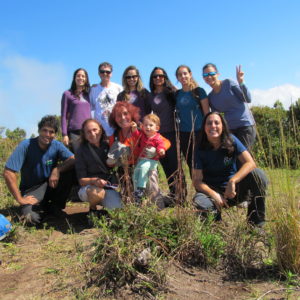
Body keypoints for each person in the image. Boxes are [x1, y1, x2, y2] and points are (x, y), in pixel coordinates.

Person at [192, 112, 267, 226]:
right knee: (200, 202)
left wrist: (233, 181)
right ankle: (217, 225)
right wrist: (214, 194)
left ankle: (256, 224)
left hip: (233, 191)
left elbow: (250, 163)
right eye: (209, 123)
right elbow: (197, 181)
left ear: (223, 126)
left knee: (258, 175)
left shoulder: (231, 140)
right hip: (212, 192)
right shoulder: (199, 147)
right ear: (204, 127)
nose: (213, 126)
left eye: (217, 123)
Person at [4, 115, 75, 225]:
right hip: (32, 190)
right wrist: (19, 199)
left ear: (55, 134)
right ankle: (42, 210)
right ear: (39, 130)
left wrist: (57, 169)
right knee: (31, 218)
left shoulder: (56, 145)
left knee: (70, 171)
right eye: (44, 130)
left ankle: (55, 206)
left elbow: (73, 159)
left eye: (51, 132)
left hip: (50, 185)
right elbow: (8, 172)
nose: (47, 134)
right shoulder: (26, 145)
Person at [108, 102, 167, 205]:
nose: (122, 117)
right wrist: (113, 160)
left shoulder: (143, 129)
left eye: (125, 113)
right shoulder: (114, 136)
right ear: (114, 119)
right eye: (118, 115)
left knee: (153, 195)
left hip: (144, 166)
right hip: (126, 172)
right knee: (130, 202)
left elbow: (165, 141)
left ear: (132, 115)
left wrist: (156, 150)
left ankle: (158, 211)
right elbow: (111, 162)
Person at [75, 119, 122, 222]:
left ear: (100, 130)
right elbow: (81, 181)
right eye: (88, 131)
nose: (92, 134)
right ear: (84, 134)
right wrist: (94, 180)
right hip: (89, 188)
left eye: (95, 129)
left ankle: (104, 212)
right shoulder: (81, 151)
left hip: (108, 187)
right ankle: (93, 209)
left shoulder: (108, 145)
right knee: (97, 193)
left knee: (120, 214)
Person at [202, 63, 256, 149]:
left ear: (217, 74)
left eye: (211, 74)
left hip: (245, 126)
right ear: (203, 78)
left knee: (244, 157)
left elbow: (247, 99)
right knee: (232, 157)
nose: (209, 76)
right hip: (230, 130)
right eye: (205, 75)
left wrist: (241, 82)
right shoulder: (211, 97)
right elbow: (217, 117)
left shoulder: (228, 83)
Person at [148, 67, 178, 199]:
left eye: (160, 75)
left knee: (175, 165)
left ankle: (180, 196)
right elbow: (148, 114)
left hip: (173, 132)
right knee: (165, 165)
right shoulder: (151, 95)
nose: (158, 78)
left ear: (165, 77)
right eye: (155, 76)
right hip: (159, 135)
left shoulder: (172, 92)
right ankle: (173, 194)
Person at [175, 65, 210, 177]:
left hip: (199, 131)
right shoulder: (177, 94)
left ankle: (209, 188)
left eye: (185, 73)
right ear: (177, 78)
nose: (183, 76)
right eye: (180, 74)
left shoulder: (199, 91)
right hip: (184, 133)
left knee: (202, 162)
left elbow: (207, 113)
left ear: (190, 74)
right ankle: (198, 189)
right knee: (191, 163)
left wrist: (207, 132)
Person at [132, 114, 168, 202]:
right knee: (135, 172)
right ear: (142, 126)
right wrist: (134, 128)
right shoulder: (143, 135)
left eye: (151, 125)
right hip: (142, 160)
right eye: (145, 125)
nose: (148, 127)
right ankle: (136, 191)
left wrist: (161, 150)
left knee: (144, 168)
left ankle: (141, 188)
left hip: (152, 161)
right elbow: (136, 135)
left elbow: (161, 145)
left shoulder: (157, 138)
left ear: (157, 128)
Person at [61, 68, 91, 153]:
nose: (80, 78)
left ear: (86, 79)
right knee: (77, 159)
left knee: (89, 158)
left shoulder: (89, 93)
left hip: (88, 131)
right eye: (78, 76)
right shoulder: (67, 94)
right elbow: (63, 116)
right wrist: (64, 134)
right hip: (74, 132)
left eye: (83, 76)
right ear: (74, 78)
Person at [90, 62, 123, 137]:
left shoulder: (119, 88)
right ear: (98, 73)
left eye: (108, 72)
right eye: (102, 72)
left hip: (116, 128)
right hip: (100, 131)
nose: (105, 74)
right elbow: (90, 109)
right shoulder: (93, 90)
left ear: (111, 73)